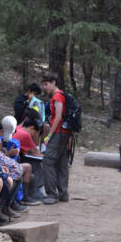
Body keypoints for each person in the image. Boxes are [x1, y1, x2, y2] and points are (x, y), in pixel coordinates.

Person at [41, 72, 70, 204]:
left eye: (46, 84)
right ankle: (63, 194)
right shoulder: (60, 95)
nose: (45, 87)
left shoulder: (58, 96)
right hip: (63, 133)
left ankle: (52, 194)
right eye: (44, 84)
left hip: (58, 133)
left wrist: (49, 135)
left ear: (54, 83)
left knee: (48, 161)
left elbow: (58, 117)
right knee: (62, 162)